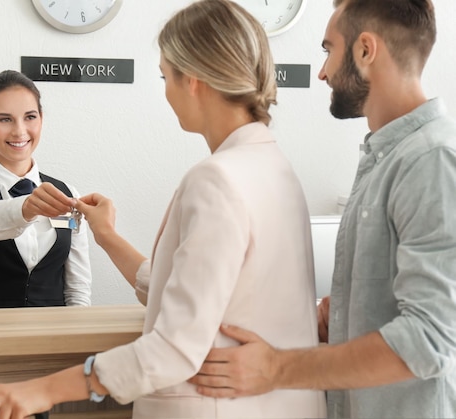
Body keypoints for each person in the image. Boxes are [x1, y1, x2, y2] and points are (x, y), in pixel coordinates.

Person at [0, 1, 326, 418]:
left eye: (166, 76)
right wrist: (107, 235)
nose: (165, 92)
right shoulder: (276, 168)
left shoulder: (216, 179)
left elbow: (174, 346)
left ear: (194, 80)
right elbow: (182, 290)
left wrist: (44, 390)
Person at [190, 1, 456, 418]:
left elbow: (429, 340)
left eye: (328, 49)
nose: (323, 72)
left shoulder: (431, 160)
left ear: (366, 50)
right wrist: (347, 313)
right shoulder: (385, 158)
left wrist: (276, 368)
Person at [0, 70, 92, 311]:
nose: (19, 131)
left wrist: (75, 336)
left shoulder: (66, 194)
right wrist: (26, 208)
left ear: (41, 119)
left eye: (30, 117)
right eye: (5, 119)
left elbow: (77, 286)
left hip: (52, 339)